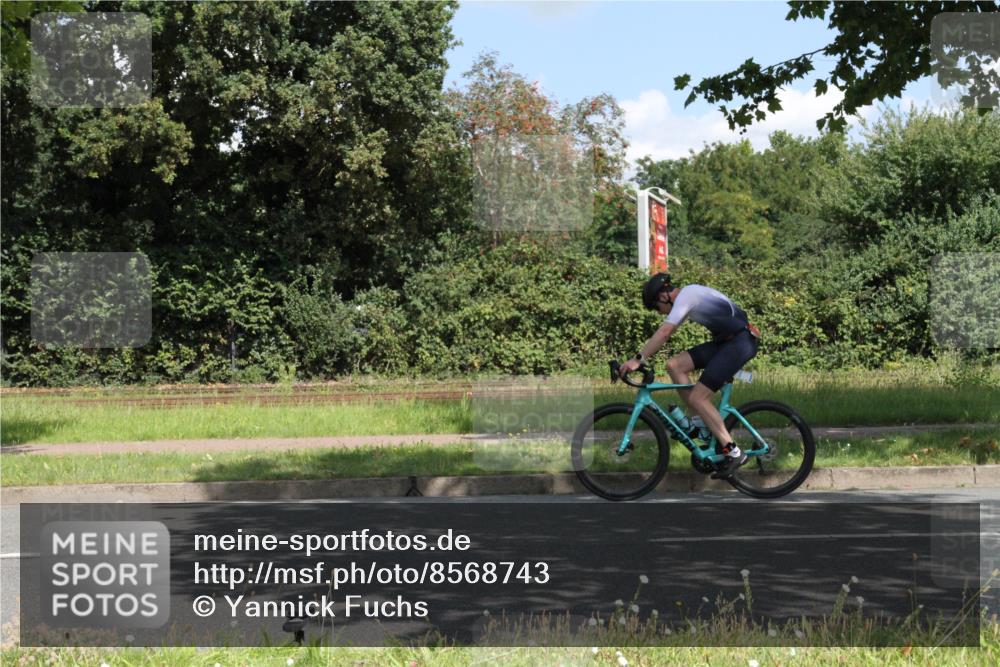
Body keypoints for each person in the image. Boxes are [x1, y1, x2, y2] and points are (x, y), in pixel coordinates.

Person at [617, 273, 760, 479]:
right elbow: (666, 334)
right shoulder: (687, 301)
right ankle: (700, 425)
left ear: (663, 296)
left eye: (657, 307)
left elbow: (665, 332)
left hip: (740, 342)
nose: (660, 312)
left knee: (697, 397)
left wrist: (638, 359)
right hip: (727, 343)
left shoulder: (688, 294)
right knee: (675, 365)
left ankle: (733, 451)